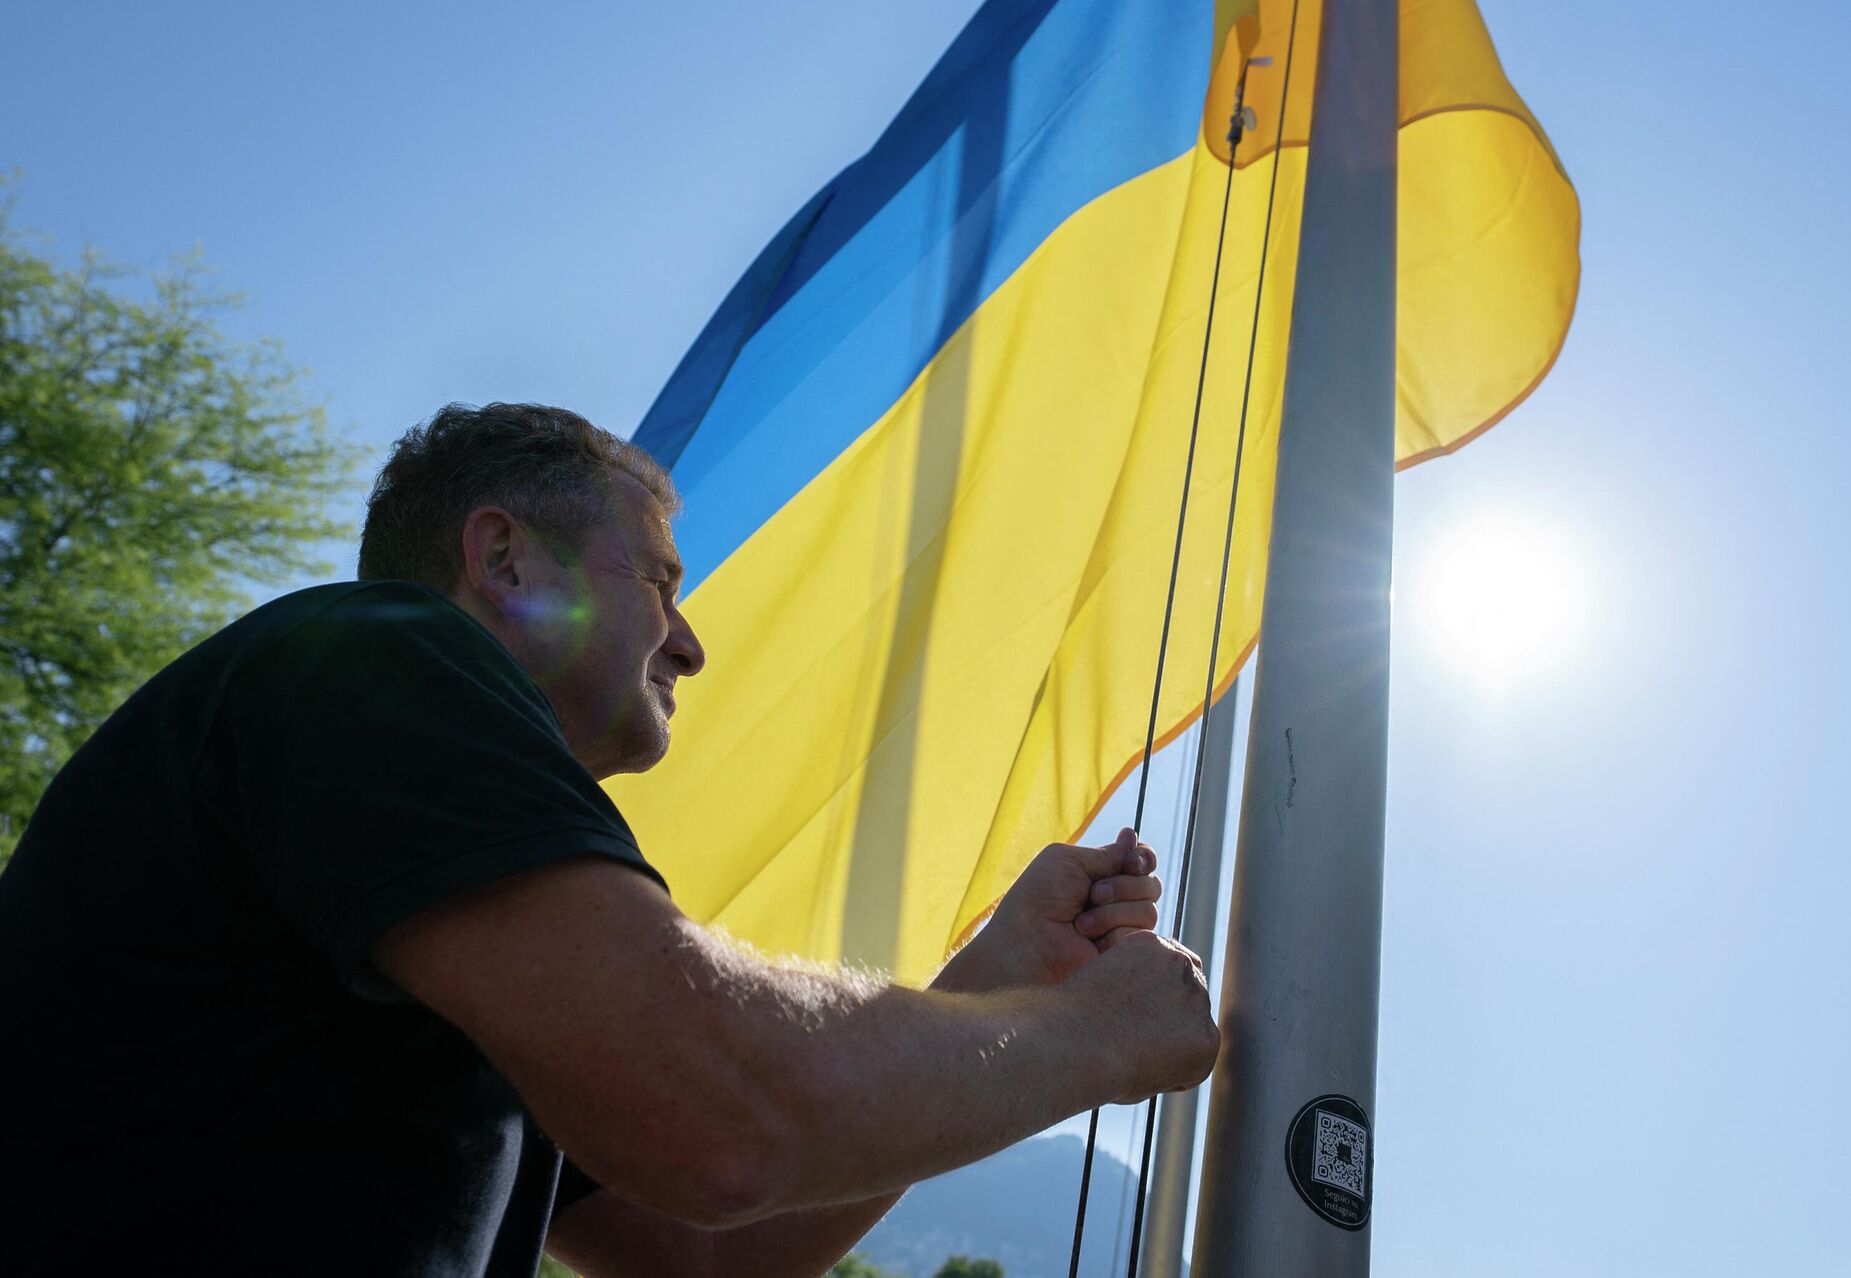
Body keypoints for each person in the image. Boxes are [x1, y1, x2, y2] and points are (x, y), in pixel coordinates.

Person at [0, 402, 1219, 1277]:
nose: (689, 644)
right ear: (502, 558)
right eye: (661, 581)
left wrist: (997, 976)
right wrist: (1098, 1038)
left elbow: (704, 1244)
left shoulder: (457, 924)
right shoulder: (375, 656)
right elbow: (723, 1127)